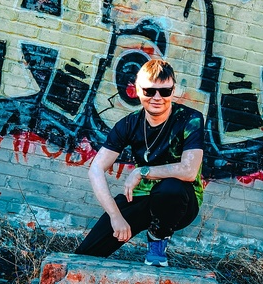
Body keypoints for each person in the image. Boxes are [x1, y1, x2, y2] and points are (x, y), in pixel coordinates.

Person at [75, 59, 204, 266]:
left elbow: (188, 171)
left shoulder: (190, 119)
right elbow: (96, 169)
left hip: (181, 202)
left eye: (165, 91)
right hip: (143, 197)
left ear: (173, 91)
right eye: (149, 91)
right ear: (137, 90)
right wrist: (115, 216)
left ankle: (157, 239)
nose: (157, 98)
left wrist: (141, 172)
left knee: (171, 188)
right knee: (85, 255)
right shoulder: (129, 124)